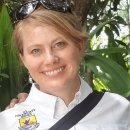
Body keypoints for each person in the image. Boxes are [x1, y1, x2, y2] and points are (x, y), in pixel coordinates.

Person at [0, 0, 130, 129]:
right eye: (36, 50)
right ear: (23, 59)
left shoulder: (122, 111)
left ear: (79, 47)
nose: (50, 59)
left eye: (59, 44)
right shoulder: (7, 123)